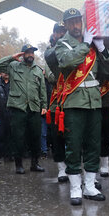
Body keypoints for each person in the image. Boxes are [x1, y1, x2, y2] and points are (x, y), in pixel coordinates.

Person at [55, 8, 109, 205]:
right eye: (70, 22)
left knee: (93, 144)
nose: (75, 26)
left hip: (94, 102)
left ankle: (89, 185)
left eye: (77, 21)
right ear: (65, 25)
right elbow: (67, 61)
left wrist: (102, 49)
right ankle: (75, 187)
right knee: (73, 146)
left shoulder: (91, 44)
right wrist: (86, 45)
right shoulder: (62, 44)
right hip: (74, 102)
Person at [0, 44, 47, 174]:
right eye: (28, 53)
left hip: (34, 107)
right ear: (22, 54)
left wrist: (44, 105)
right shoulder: (13, 66)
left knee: (35, 136)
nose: (30, 55)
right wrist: (12, 57)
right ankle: (19, 165)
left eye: (32, 53)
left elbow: (42, 90)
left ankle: (35, 163)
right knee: (18, 137)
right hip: (18, 107)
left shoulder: (38, 70)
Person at [45, 23, 68, 182]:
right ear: (54, 35)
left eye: (63, 32)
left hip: (74, 98)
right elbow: (51, 76)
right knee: (57, 137)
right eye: (59, 32)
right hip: (57, 100)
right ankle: (61, 168)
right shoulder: (50, 52)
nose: (61, 34)